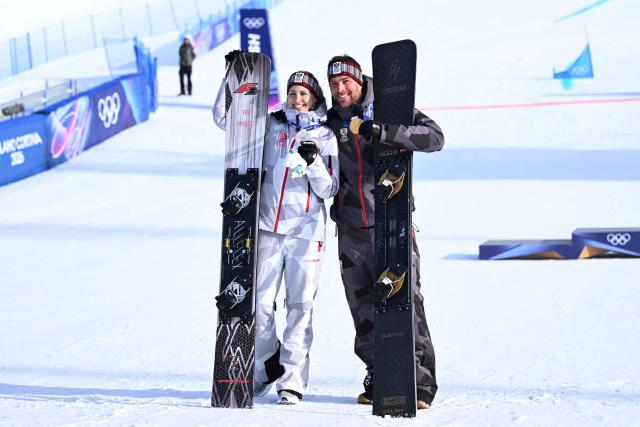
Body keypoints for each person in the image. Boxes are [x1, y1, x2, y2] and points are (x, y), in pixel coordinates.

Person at [214, 53, 340, 405]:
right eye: (293, 93)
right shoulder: (269, 125)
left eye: (304, 94)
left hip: (306, 232)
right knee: (260, 306)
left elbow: (330, 189)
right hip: (268, 227)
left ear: (314, 98)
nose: (297, 99)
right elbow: (224, 119)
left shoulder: (326, 137)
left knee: (300, 306)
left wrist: (314, 162)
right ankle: (269, 363)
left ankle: (291, 382)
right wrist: (230, 78)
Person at [324, 55, 444, 410]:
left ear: (360, 82)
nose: (341, 90)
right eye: (334, 85)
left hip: (391, 223)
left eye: (346, 82)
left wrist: (385, 132)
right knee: (361, 307)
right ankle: (379, 373)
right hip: (350, 229)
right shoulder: (329, 121)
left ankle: (420, 382)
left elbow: (435, 137)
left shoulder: (390, 106)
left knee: (407, 303)